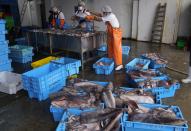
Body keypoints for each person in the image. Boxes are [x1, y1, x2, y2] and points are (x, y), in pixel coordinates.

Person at [86, 5, 123, 70]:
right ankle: (110, 58)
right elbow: (99, 15)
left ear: (106, 12)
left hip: (116, 32)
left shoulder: (111, 16)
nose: (103, 14)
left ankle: (119, 64)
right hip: (111, 31)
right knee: (110, 46)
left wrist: (90, 17)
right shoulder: (107, 15)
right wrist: (91, 11)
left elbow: (99, 19)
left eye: (104, 13)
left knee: (117, 48)